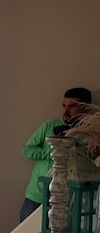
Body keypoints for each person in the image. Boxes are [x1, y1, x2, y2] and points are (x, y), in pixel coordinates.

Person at [19, 87, 93, 222]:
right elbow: (27, 150)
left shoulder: (92, 133)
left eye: (72, 106)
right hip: (37, 195)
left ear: (86, 108)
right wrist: (55, 151)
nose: (66, 111)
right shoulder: (50, 125)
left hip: (71, 199)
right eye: (64, 106)